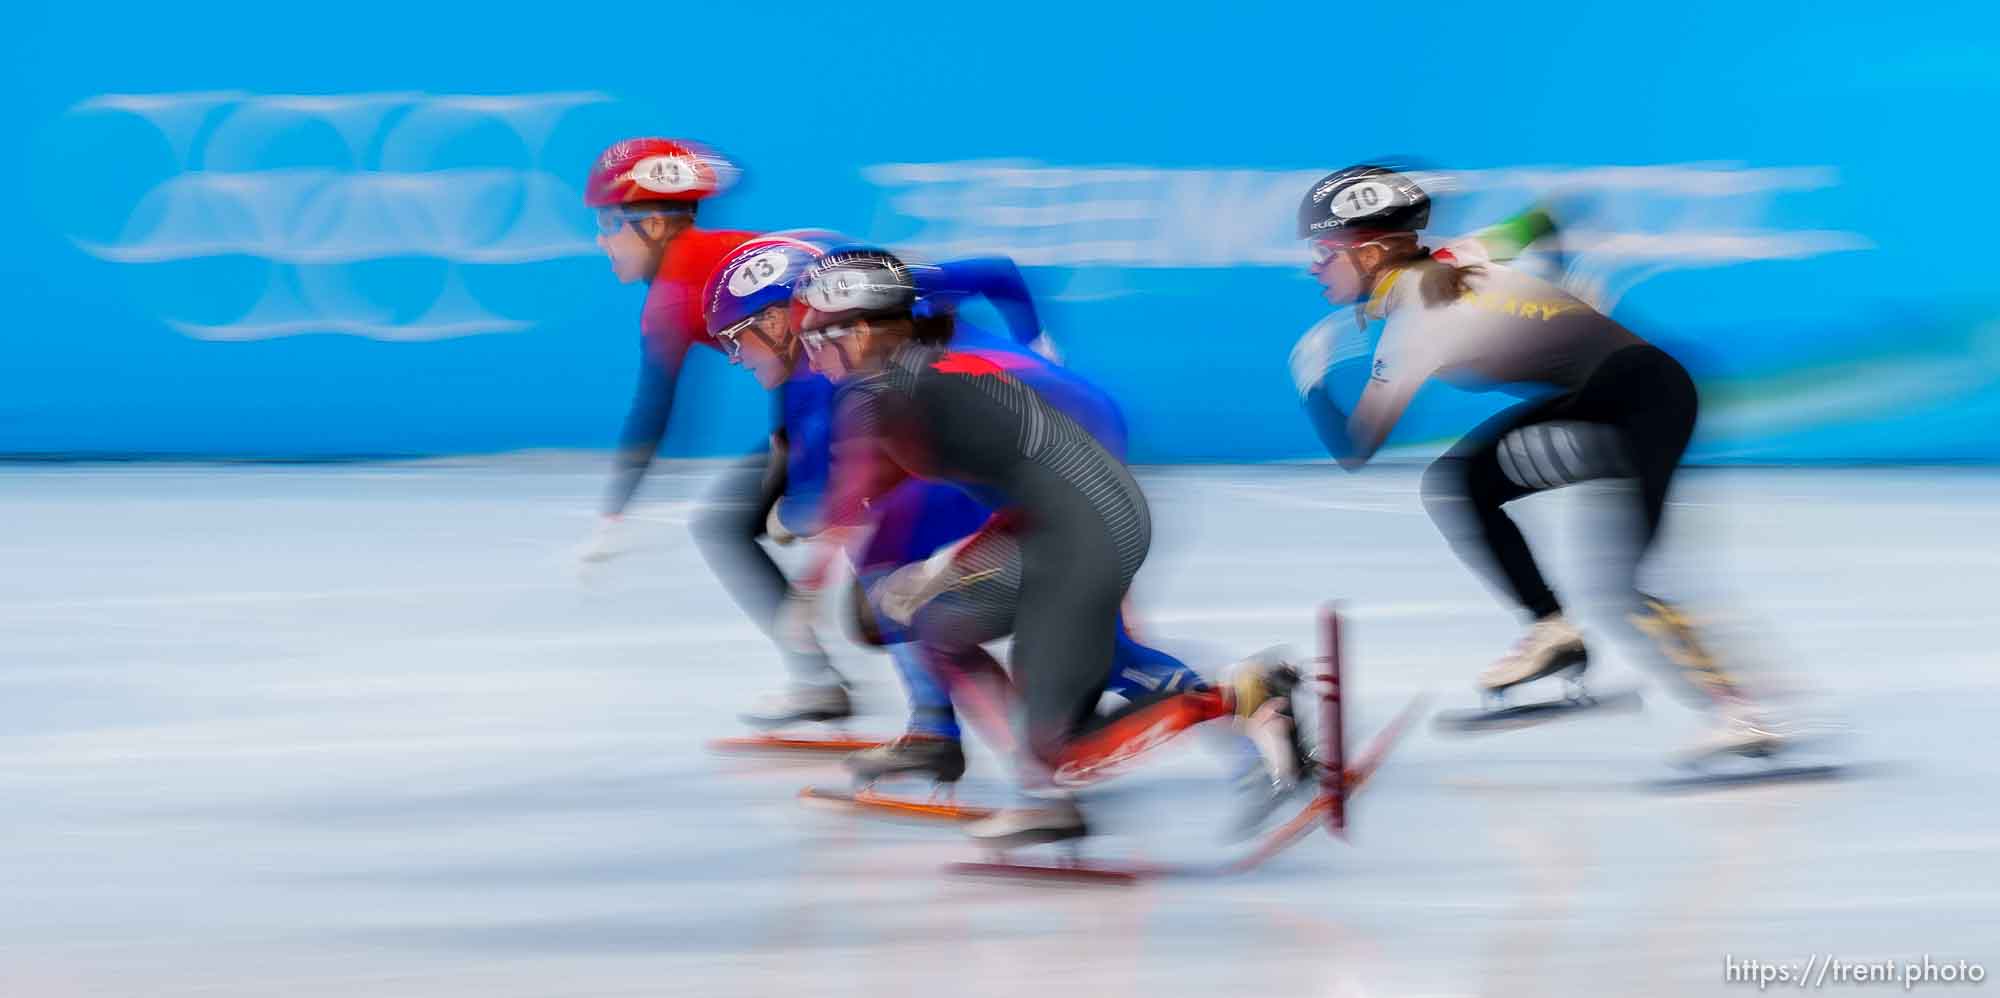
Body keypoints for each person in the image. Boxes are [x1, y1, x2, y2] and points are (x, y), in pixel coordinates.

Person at [788, 247, 1303, 847]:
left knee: (1066, 750)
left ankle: (1240, 697)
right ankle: (1042, 788)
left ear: (862, 330)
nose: (813, 360)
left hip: (1076, 530)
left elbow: (861, 501)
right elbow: (1039, 475)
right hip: (1078, 517)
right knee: (942, 628)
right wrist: (945, 569)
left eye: (817, 341)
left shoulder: (885, 395)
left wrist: (846, 577)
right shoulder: (928, 369)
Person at [1288, 164, 1778, 760]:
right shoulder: (1455, 255)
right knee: (1466, 482)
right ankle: (1553, 632)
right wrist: (1570, 281)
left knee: (1624, 583)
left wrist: (1312, 383)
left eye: (1325, 250)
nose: (1314, 265)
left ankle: (1743, 713)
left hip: (1635, 398)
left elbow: (1357, 446)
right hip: (1619, 394)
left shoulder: (1416, 323)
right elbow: (1545, 218)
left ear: (1368, 255)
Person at [700, 236, 1207, 787]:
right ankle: (1235, 708)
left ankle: (958, 741)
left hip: (1034, 455)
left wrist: (790, 520)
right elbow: (998, 273)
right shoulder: (881, 304)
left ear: (777, 322)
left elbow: (831, 501)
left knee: (892, 575)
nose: (736, 357)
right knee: (1092, 644)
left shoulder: (826, 376)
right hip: (1071, 438)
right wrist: (1037, 346)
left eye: (736, 340)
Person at [580, 138, 847, 727]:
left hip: (852, 399)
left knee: (735, 525)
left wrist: (613, 514)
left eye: (607, 224)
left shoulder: (674, 296)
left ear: (651, 223)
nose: (600, 240)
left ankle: (832, 682)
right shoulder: (731, 252)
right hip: (841, 393)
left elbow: (656, 410)